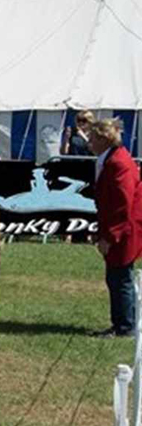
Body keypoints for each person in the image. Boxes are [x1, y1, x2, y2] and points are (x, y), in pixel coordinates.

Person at [89, 119, 142, 338]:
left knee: (120, 277)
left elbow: (122, 204)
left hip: (124, 230)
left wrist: (110, 237)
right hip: (119, 228)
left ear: (103, 139)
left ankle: (124, 326)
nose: (89, 142)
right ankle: (122, 323)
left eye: (92, 137)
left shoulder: (118, 163)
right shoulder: (112, 159)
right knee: (117, 276)